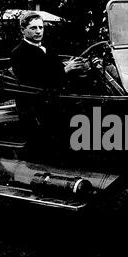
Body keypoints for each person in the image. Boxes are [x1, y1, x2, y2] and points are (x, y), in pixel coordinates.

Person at [11, 11, 84, 156]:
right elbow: (35, 80)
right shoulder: (19, 53)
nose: (38, 31)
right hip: (35, 106)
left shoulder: (47, 49)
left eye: (40, 27)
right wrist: (65, 69)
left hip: (54, 99)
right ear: (23, 30)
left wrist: (71, 66)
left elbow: (54, 68)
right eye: (33, 28)